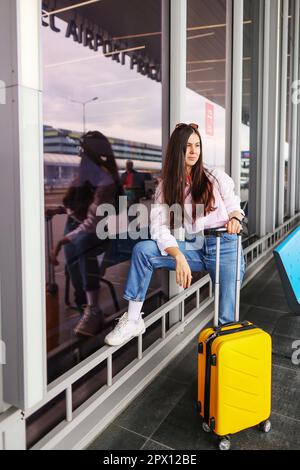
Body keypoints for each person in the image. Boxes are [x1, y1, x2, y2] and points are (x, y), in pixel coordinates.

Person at [104, 123, 246, 346]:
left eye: (197, 145)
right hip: (197, 245)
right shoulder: (166, 187)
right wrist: (178, 256)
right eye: (188, 146)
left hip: (225, 245)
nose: (194, 151)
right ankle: (132, 320)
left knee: (225, 321)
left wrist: (236, 219)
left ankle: (223, 372)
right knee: (143, 251)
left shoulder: (215, 176)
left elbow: (233, 205)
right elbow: (159, 228)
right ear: (177, 150)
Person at [51, 130, 122, 336]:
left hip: (94, 234)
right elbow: (77, 208)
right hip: (75, 227)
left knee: (83, 246)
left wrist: (62, 241)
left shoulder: (106, 182)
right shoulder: (84, 177)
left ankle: (93, 309)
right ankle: (85, 305)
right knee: (74, 267)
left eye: (85, 151)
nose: (82, 155)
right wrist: (59, 210)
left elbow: (92, 222)